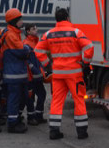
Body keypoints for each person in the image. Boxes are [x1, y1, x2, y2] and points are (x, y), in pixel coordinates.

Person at [34, 8, 93, 140]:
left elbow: (38, 50)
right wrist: (85, 63)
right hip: (74, 74)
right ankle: (81, 132)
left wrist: (48, 64)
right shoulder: (76, 32)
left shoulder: (49, 34)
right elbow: (89, 47)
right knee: (79, 100)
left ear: (56, 19)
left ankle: (54, 131)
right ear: (67, 18)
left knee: (57, 101)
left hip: (58, 74)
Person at [0, 8, 29, 134]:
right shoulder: (11, 35)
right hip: (14, 74)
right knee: (14, 99)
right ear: (14, 21)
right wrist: (27, 48)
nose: (22, 21)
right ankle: (12, 124)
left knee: (18, 98)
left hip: (16, 73)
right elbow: (23, 51)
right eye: (20, 19)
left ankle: (14, 119)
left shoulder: (13, 33)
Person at [23, 23, 47, 125]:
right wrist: (34, 70)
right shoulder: (26, 44)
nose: (36, 30)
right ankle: (31, 117)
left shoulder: (36, 42)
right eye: (33, 29)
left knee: (42, 94)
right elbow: (27, 61)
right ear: (28, 31)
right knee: (31, 97)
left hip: (37, 76)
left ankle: (38, 116)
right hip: (30, 76)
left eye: (36, 28)